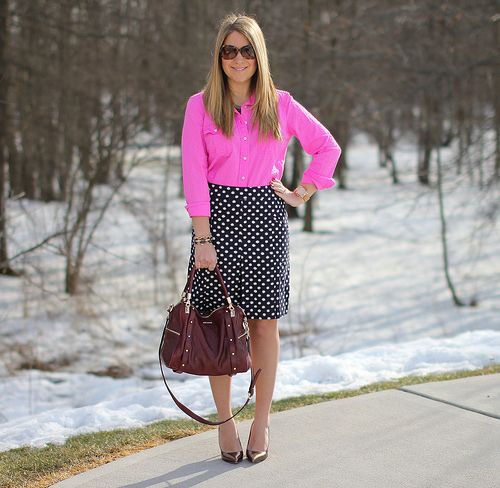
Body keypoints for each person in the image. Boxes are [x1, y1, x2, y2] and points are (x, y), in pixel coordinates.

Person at [180, 13, 341, 464]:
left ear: (258, 55)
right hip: (216, 223)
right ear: (219, 56)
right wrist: (202, 238)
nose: (237, 59)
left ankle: (262, 420)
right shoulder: (199, 105)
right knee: (216, 325)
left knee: (263, 325)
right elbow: (193, 174)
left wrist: (302, 191)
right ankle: (226, 422)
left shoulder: (282, 104)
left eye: (246, 50)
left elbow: (328, 147)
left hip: (266, 220)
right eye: (228, 50)